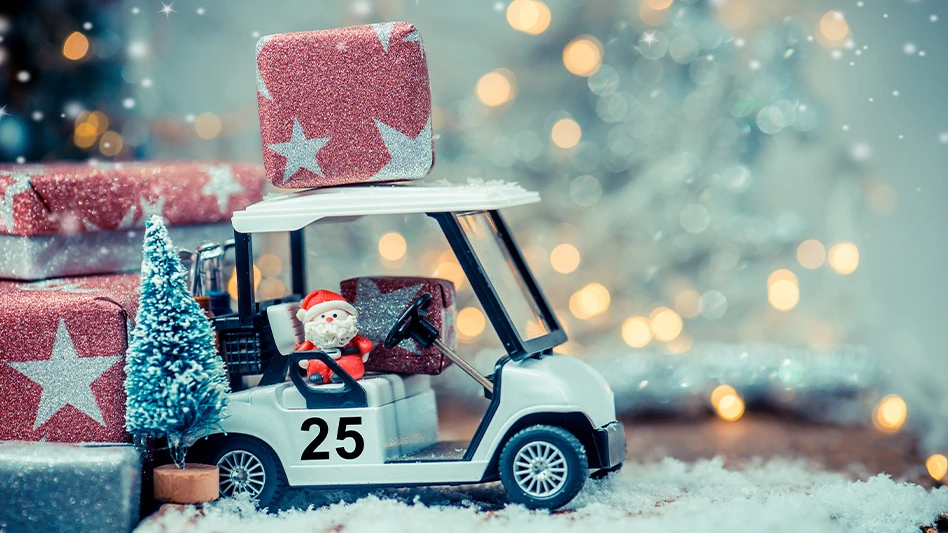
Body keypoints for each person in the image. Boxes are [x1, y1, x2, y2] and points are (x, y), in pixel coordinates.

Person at [295, 289, 373, 384]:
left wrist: (365, 352)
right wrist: (303, 359)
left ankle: (343, 374)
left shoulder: (348, 334)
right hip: (320, 360)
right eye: (322, 317)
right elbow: (302, 350)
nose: (329, 319)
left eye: (335, 315)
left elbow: (364, 344)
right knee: (318, 363)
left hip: (346, 357)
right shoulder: (314, 338)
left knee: (347, 363)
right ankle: (318, 375)